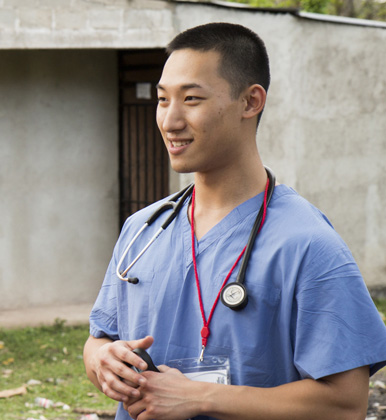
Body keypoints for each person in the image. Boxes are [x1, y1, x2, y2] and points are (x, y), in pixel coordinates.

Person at [83, 22, 386, 420]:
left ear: (250, 102)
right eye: (162, 100)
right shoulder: (143, 230)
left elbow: (345, 404)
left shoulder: (307, 244)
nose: (170, 121)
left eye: (191, 99)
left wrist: (201, 398)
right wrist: (103, 361)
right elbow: (99, 339)